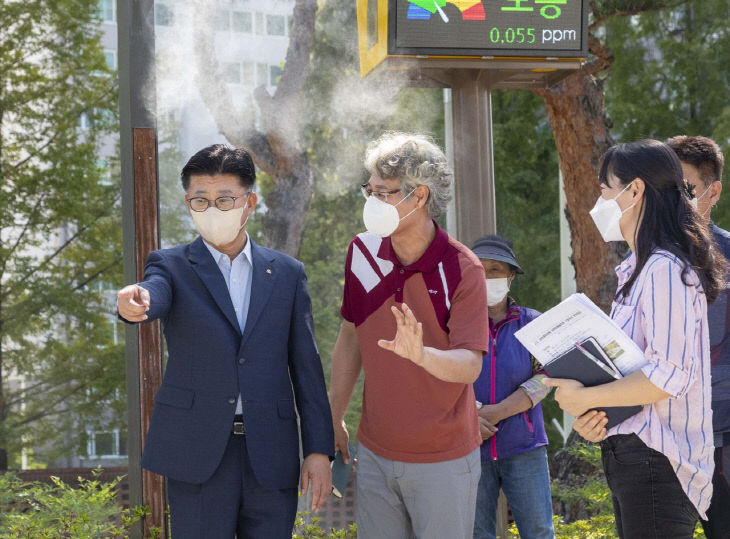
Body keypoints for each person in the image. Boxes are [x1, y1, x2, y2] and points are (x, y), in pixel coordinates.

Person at [116, 145, 334, 538]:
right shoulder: (171, 265)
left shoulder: (286, 273)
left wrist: (319, 449)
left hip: (271, 450)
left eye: (224, 200)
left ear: (249, 202)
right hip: (197, 450)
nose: (212, 209)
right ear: (188, 203)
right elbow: (154, 292)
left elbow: (307, 368)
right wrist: (139, 301)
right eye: (200, 200)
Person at [545, 139, 726, 538]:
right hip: (633, 457)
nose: (600, 200)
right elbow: (627, 372)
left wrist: (585, 398)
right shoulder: (637, 270)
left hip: (658, 463)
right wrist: (597, 420)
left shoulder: (664, 269)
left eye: (605, 189)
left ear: (635, 190)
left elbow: (669, 376)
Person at [329, 132, 489, 539]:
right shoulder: (361, 252)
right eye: (370, 189)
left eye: (384, 192)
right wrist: (332, 417)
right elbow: (350, 339)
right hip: (375, 452)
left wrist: (423, 356)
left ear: (419, 196)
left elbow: (470, 364)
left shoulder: (462, 268)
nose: (372, 201)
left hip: (445, 458)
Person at [666, 135, 730, 539]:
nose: (674, 200)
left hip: (722, 437)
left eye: (686, 189)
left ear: (713, 191)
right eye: (668, 189)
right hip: (665, 438)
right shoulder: (647, 259)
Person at [469, 235, 554, 539]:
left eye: (495, 270)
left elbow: (546, 378)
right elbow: (439, 380)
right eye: (479, 269)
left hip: (524, 446)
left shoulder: (533, 323)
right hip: (468, 447)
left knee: (539, 531)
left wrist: (497, 412)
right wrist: (470, 419)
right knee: (476, 534)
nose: (487, 276)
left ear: (511, 276)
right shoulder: (454, 325)